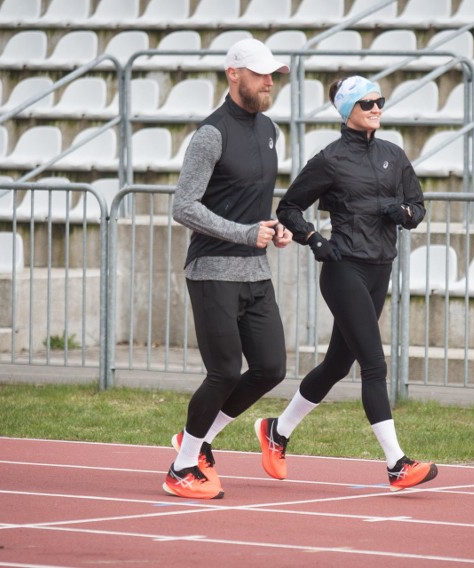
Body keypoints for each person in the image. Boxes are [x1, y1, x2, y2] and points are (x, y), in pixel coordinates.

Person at [256, 75, 438, 491]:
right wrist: (314, 239)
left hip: (380, 269)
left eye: (380, 100)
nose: (376, 108)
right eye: (367, 102)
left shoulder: (394, 154)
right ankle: (397, 464)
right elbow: (289, 208)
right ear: (348, 111)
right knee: (373, 364)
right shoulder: (330, 159)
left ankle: (276, 432)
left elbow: (418, 206)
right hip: (343, 270)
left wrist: (404, 214)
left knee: (338, 364)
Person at [164, 38, 293, 500]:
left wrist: (274, 227)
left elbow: (251, 202)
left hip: (255, 272)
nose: (268, 82)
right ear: (233, 74)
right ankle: (181, 469)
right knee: (223, 372)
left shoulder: (271, 130)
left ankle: (195, 441)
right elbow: (184, 206)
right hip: (213, 270)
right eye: (260, 74)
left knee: (271, 367)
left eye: (272, 74)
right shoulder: (210, 134)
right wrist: (242, 233)